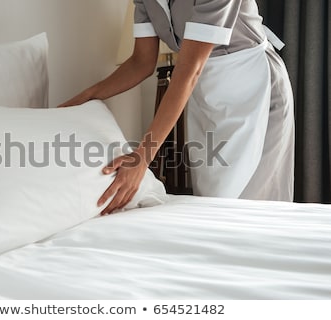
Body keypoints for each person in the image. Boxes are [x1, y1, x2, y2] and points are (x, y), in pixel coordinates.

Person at [59, 0, 295, 215]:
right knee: (213, 204)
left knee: (250, 208)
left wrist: (142, 158)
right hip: (204, 94)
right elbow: (141, 62)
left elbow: (189, 68)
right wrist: (85, 97)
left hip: (254, 86)